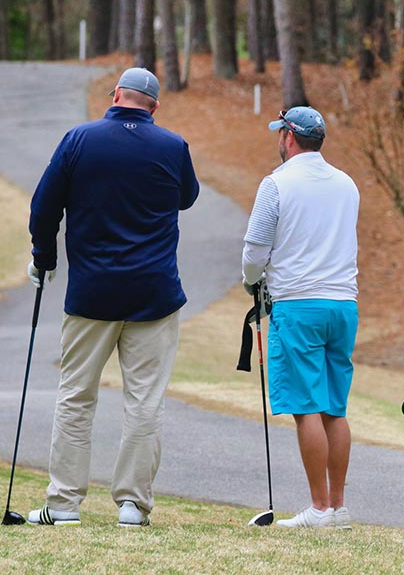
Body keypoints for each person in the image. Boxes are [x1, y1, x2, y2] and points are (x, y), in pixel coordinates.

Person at [26, 67, 200, 527]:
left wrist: (44, 258)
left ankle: (63, 503)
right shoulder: (173, 146)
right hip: (155, 293)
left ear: (117, 95)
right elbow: (187, 198)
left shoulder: (79, 140)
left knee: (76, 397)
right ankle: (132, 505)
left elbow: (44, 206)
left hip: (91, 294)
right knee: (144, 402)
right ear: (155, 107)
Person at [242, 106, 359, 529]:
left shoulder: (276, 184)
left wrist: (250, 280)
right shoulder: (347, 184)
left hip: (298, 303)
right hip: (343, 304)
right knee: (334, 406)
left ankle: (320, 508)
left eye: (280, 133)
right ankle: (339, 507)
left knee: (306, 406)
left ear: (290, 137)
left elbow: (255, 250)